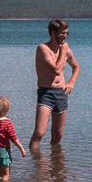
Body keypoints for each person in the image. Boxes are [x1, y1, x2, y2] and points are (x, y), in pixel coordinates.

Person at [29, 19, 80, 151]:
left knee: (58, 135)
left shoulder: (66, 51)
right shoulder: (43, 49)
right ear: (53, 33)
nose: (65, 36)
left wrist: (71, 82)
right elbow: (56, 69)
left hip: (61, 93)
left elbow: (76, 67)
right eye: (62, 33)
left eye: (66, 33)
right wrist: (63, 50)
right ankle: (34, 163)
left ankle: (56, 166)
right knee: (39, 133)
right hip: (46, 93)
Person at [0, 96, 26, 181]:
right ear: (7, 111)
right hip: (3, 151)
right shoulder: (7, 123)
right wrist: (21, 148)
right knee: (5, 175)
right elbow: (13, 137)